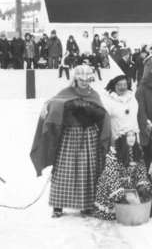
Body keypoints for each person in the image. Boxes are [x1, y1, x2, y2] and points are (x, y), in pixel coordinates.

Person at [30, 65, 111, 218]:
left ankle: (86, 205)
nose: (84, 82)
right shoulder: (66, 92)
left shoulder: (94, 94)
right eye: (81, 80)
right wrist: (68, 105)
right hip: (70, 135)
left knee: (87, 170)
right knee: (64, 169)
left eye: (87, 80)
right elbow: (53, 102)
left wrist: (92, 110)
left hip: (89, 136)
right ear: (75, 79)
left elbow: (102, 114)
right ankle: (58, 205)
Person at [94, 129, 152, 220]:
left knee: (143, 201)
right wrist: (120, 195)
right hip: (112, 186)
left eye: (133, 135)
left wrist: (142, 187)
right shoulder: (114, 153)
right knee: (118, 214)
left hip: (130, 186)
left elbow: (141, 171)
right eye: (128, 136)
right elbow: (112, 176)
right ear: (122, 138)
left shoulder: (137, 151)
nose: (131, 138)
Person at [103, 75, 139, 143]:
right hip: (118, 138)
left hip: (133, 137)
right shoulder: (108, 101)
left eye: (125, 84)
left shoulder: (132, 99)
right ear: (114, 86)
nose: (122, 87)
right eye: (119, 85)